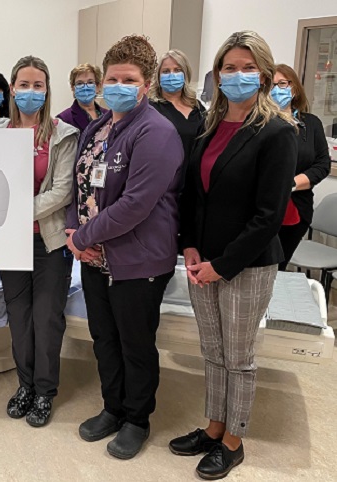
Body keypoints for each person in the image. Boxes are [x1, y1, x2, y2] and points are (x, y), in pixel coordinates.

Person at [171, 31, 297, 480]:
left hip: (246, 264)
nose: (237, 75)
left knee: (239, 357)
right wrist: (187, 245)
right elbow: (194, 195)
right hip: (201, 260)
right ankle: (213, 426)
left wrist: (221, 265)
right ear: (217, 74)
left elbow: (268, 216)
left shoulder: (278, 132)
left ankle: (234, 440)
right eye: (229, 67)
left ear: (262, 74)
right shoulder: (210, 126)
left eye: (247, 68)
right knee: (213, 351)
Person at [66, 35, 184, 460]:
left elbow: (135, 205)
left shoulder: (157, 132)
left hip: (138, 259)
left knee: (135, 343)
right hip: (96, 257)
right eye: (112, 78)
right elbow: (78, 188)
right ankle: (112, 408)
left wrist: (82, 237)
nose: (118, 85)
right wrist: (72, 231)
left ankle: (137, 418)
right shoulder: (98, 127)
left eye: (128, 79)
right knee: (104, 338)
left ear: (145, 85)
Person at [0, 56, 78, 428]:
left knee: (47, 319)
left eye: (38, 85)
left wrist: (15, 211)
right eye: (24, 85)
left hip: (50, 243)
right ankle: (25, 385)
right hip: (10, 243)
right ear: (13, 89)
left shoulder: (64, 135)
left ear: (47, 90)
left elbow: (61, 192)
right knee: (20, 317)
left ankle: (45, 391)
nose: (31, 92)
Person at [270, 64, 331, 270]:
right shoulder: (258, 122)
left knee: (279, 266)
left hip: (296, 208)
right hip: (261, 210)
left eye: (282, 84)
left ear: (293, 88)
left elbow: (322, 164)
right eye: (270, 85)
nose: (276, 90)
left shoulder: (311, 124)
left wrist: (291, 184)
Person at [149, 50, 207, 162]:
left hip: (195, 174)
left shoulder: (197, 107)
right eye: (165, 71)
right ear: (158, 77)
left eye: (177, 70)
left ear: (185, 74)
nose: (172, 75)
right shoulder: (151, 109)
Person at [57, 63, 105, 131]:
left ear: (98, 86)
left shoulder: (108, 115)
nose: (85, 87)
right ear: (73, 88)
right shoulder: (63, 119)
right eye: (80, 83)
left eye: (90, 82)